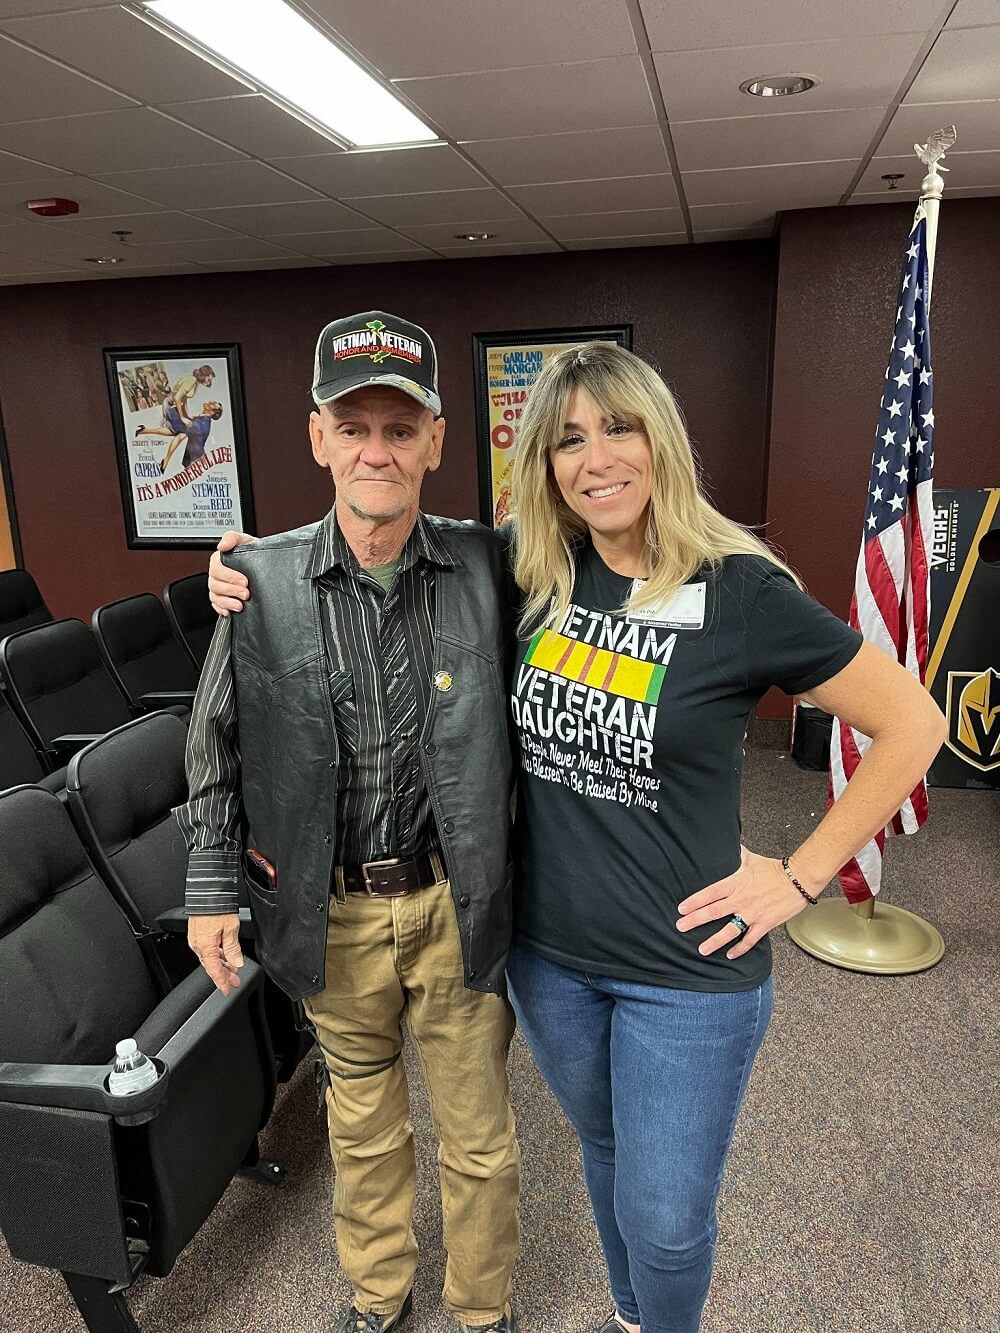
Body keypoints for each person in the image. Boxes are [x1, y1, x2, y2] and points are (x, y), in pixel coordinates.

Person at [208, 340, 946, 1333]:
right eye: (565, 440)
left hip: (686, 964)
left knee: (667, 1214)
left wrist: (803, 872)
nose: (594, 458)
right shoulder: (531, 570)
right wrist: (247, 565)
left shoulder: (737, 588)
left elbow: (913, 725)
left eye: (618, 428)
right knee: (602, 1150)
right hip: (549, 954)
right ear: (543, 466)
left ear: (660, 441)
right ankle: (634, 1318)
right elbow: (379, 548)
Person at [178, 311, 521, 1333]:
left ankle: (481, 1309)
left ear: (436, 444)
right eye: (355, 425)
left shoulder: (490, 566)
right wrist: (207, 895)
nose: (379, 449)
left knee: (479, 1136)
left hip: (457, 899)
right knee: (363, 1130)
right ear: (319, 437)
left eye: (402, 427)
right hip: (326, 913)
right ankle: (380, 1297)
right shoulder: (258, 578)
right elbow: (210, 747)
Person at [135, 400, 224, 474]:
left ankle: (164, 461)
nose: (210, 402)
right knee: (179, 433)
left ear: (212, 412)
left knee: (179, 432)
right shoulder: (201, 419)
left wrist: (178, 405)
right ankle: (144, 431)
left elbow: (179, 431)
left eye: (212, 404)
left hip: (195, 460)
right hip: (192, 458)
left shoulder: (202, 424)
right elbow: (178, 433)